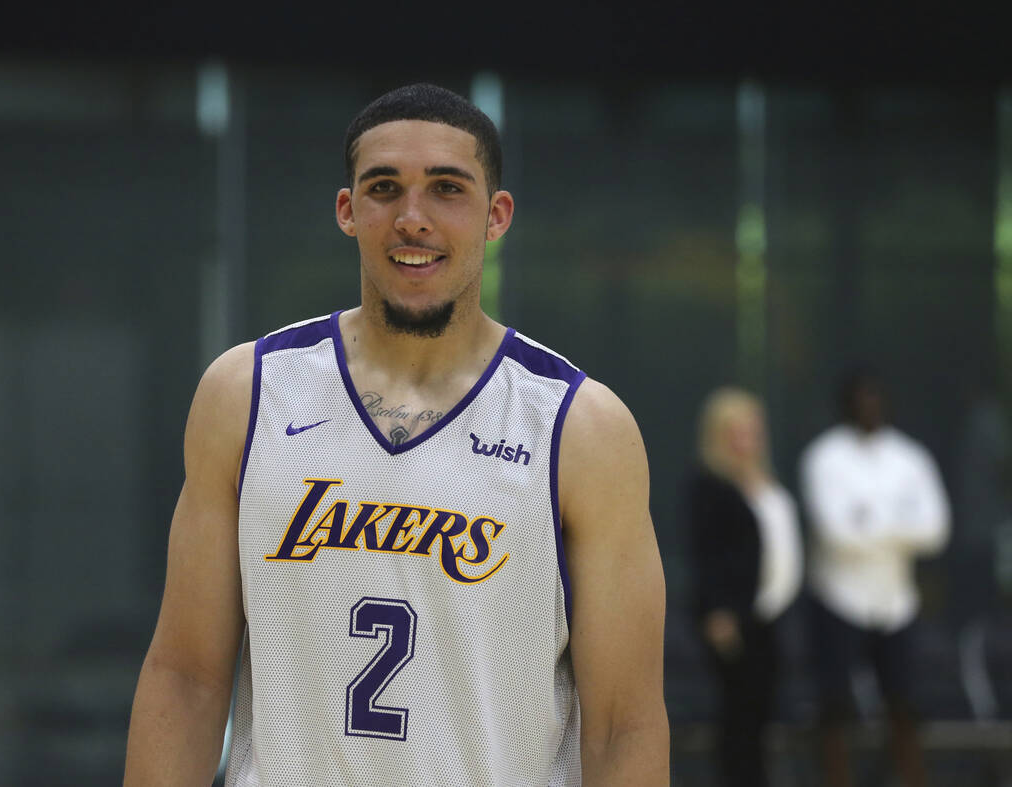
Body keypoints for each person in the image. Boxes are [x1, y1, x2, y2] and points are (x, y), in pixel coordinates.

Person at [122, 83, 669, 785]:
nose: (413, 217)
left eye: (447, 188)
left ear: (495, 215)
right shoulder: (246, 394)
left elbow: (624, 724)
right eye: (385, 188)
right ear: (348, 210)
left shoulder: (581, 428)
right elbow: (187, 678)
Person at [800, 368, 950, 787]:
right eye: (860, 397)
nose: (869, 405)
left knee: (904, 705)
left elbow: (936, 531)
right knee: (833, 709)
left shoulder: (910, 457)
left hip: (896, 602)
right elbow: (836, 535)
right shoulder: (824, 457)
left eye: (874, 396)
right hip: (838, 599)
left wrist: (870, 521)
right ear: (846, 403)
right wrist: (899, 527)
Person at [686, 387, 802, 787]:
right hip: (734, 619)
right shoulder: (711, 487)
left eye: (753, 430)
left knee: (762, 715)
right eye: (736, 431)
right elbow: (708, 556)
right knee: (739, 716)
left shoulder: (765, 482)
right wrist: (719, 612)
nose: (747, 439)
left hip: (769, 615)